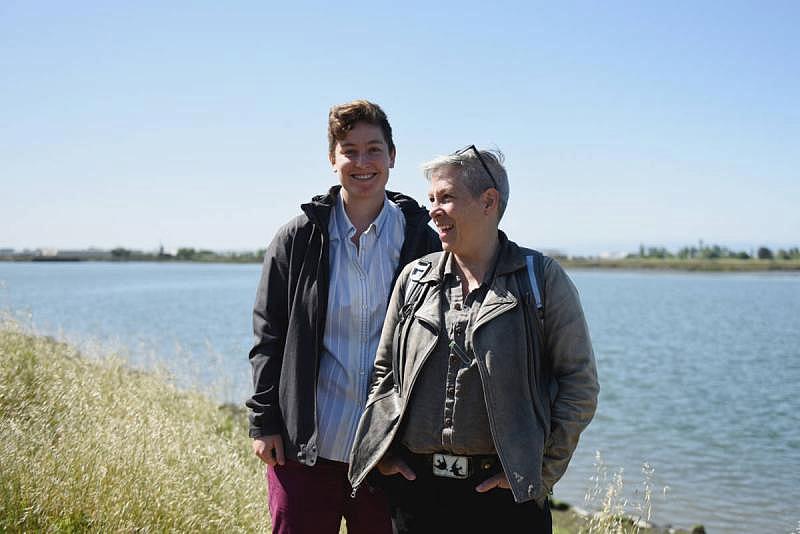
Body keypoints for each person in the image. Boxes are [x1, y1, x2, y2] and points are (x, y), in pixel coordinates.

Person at [348, 146, 599, 533]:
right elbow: (385, 373)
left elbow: (579, 385)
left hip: (506, 497)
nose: (433, 210)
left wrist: (540, 473)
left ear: (488, 201)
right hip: (416, 495)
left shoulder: (542, 280)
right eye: (431, 198)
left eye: (446, 197)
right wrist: (384, 454)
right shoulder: (414, 278)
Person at [246, 100, 440, 534]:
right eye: (349, 150)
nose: (362, 161)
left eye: (374, 149)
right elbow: (268, 338)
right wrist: (264, 423)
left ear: (392, 156)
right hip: (304, 451)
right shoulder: (297, 238)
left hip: (387, 454)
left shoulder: (421, 241)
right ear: (332, 159)